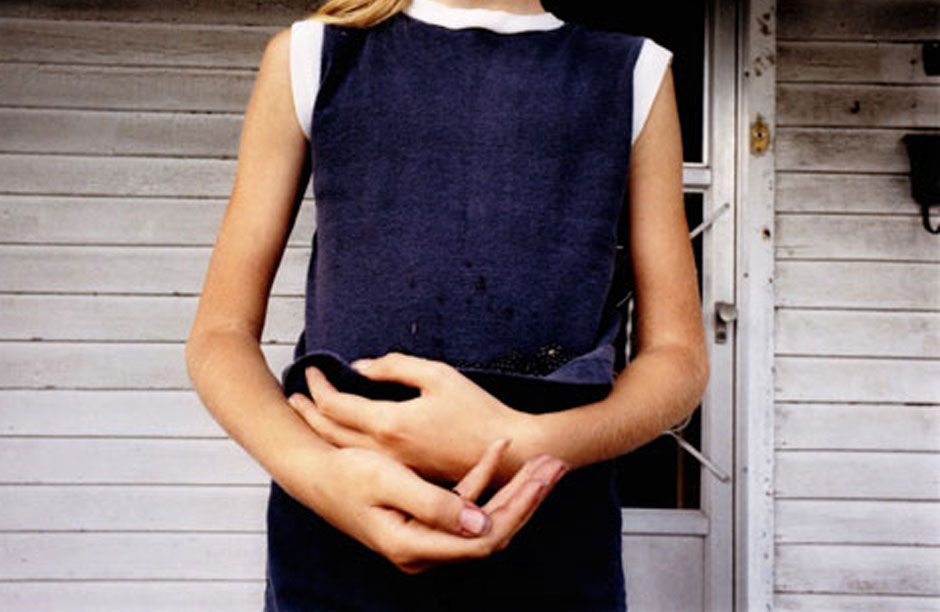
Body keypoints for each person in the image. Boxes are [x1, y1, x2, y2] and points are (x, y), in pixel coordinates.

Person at [185, 0, 709, 610]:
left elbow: (678, 357)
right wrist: (320, 476)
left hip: (554, 554)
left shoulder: (634, 73)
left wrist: (525, 444)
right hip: (336, 549)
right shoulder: (312, 57)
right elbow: (219, 335)